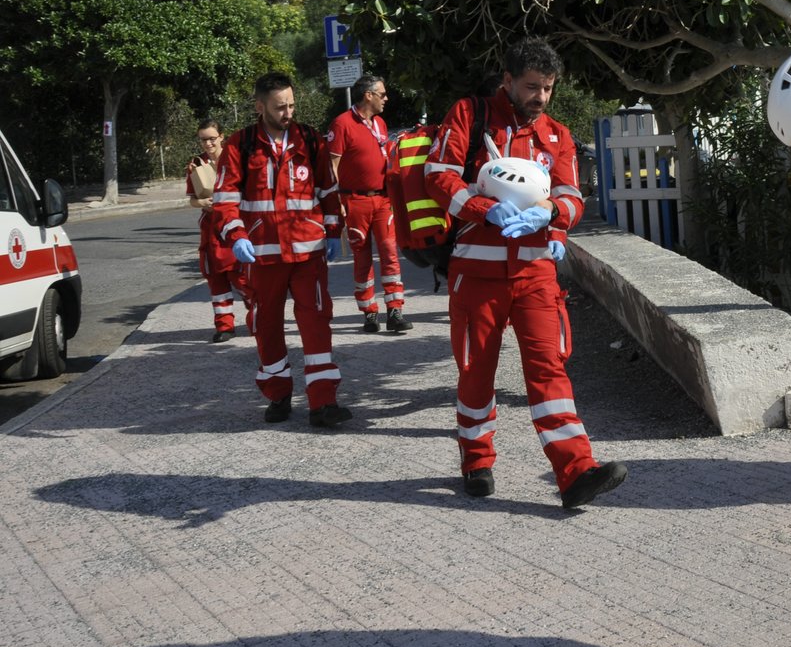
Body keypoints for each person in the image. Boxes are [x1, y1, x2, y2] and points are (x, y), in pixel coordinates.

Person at [423, 36, 627, 509]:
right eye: (532, 86)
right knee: (476, 372)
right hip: (476, 274)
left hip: (536, 275)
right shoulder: (470, 116)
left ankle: (576, 472)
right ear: (508, 81)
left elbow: (573, 196)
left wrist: (552, 214)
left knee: (550, 369)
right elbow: (437, 175)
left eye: (549, 88)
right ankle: (476, 459)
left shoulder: (556, 134)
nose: (540, 97)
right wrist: (481, 209)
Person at [212, 73, 352, 428]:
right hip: (261, 256)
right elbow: (224, 201)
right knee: (266, 325)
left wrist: (334, 230)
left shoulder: (310, 139)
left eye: (291, 104)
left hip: (309, 253)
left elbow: (328, 191)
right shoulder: (239, 145)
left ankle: (323, 402)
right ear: (260, 107)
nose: (288, 112)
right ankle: (278, 394)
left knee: (317, 323)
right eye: (280, 107)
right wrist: (237, 236)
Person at [327, 74, 411, 333]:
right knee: (362, 258)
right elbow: (332, 165)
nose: (386, 99)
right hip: (355, 200)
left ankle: (395, 310)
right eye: (382, 94)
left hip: (382, 199)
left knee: (389, 253)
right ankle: (369, 313)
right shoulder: (342, 124)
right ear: (368, 96)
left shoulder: (381, 123)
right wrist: (336, 202)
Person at [185, 119, 253, 342]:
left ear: (222, 136)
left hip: (234, 225)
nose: (208, 143)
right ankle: (224, 326)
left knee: (243, 278)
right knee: (216, 279)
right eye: (204, 140)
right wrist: (204, 204)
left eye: (212, 138)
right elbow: (193, 200)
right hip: (211, 228)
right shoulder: (195, 165)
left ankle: (259, 319)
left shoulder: (235, 159)